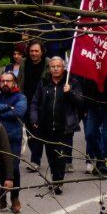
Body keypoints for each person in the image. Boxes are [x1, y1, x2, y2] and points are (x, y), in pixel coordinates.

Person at [29, 56, 75, 193]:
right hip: (47, 126)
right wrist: (34, 118)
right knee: (51, 155)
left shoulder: (71, 82)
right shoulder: (43, 83)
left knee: (60, 155)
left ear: (63, 68)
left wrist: (70, 93)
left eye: (58, 66)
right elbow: (35, 101)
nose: (55, 69)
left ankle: (58, 182)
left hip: (64, 127)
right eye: (52, 66)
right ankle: (55, 177)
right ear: (49, 68)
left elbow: (80, 102)